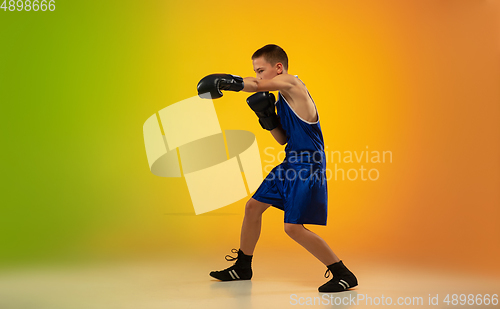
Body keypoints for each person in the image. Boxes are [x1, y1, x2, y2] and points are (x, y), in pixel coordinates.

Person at [197, 44, 357, 293]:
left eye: (261, 70)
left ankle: (343, 273)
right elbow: (282, 138)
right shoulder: (284, 98)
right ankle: (242, 267)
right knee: (252, 208)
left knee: (292, 228)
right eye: (256, 71)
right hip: (290, 161)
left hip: (307, 165)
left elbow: (255, 85)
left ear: (278, 68)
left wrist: (226, 81)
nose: (259, 76)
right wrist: (267, 117)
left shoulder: (293, 84)